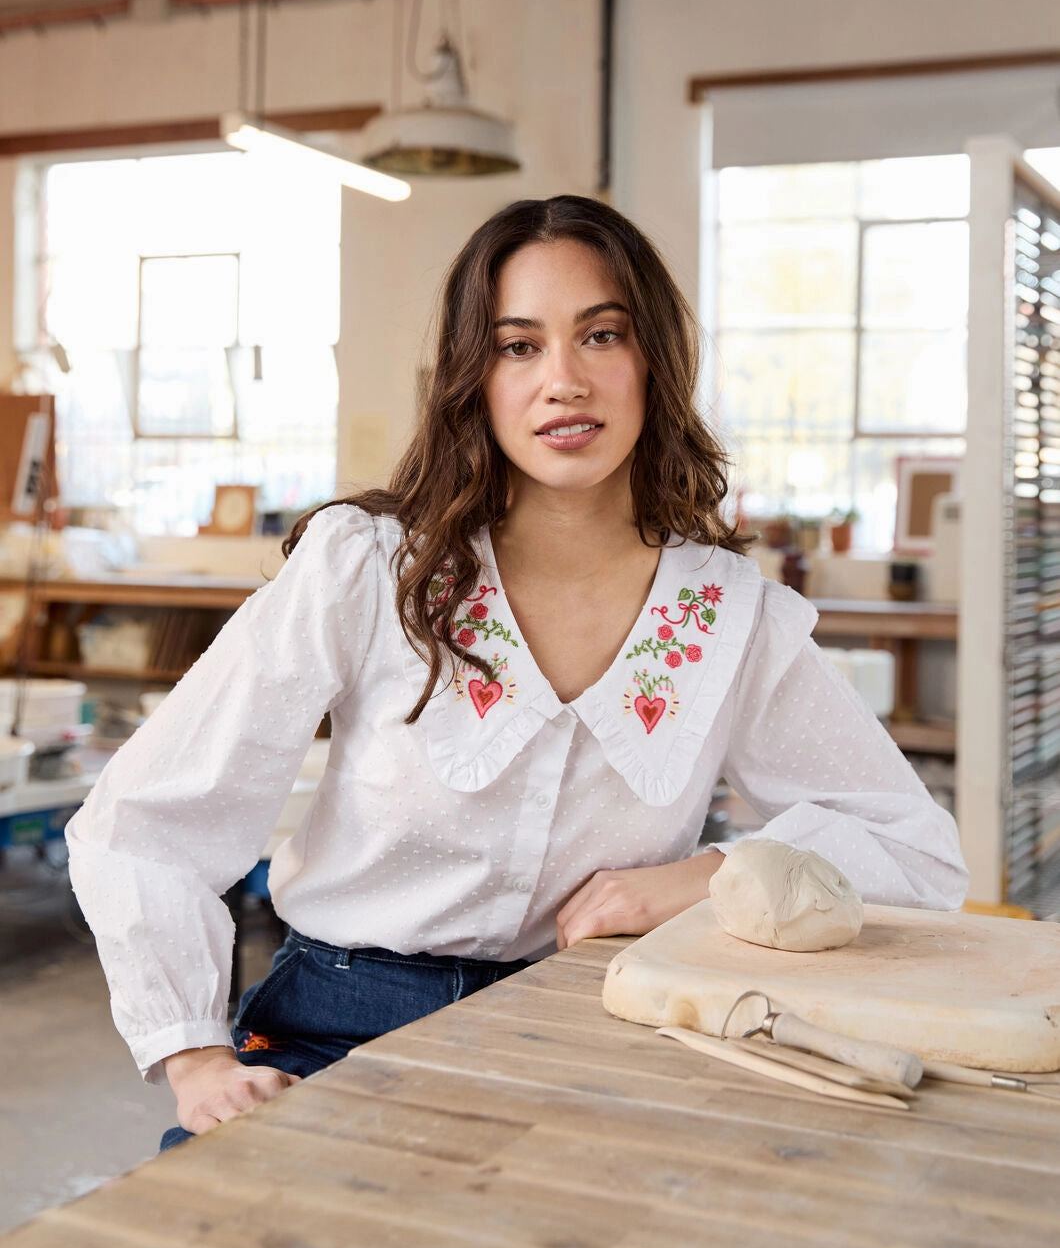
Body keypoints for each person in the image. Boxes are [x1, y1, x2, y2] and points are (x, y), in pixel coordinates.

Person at [67, 195, 968, 1147]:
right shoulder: (369, 567)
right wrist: (199, 1058)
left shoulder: (725, 616)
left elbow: (913, 850)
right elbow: (145, 823)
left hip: (603, 1029)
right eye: (518, 346)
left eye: (602, 335)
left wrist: (707, 876)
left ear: (654, 362)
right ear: (474, 377)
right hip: (337, 1029)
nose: (564, 381)